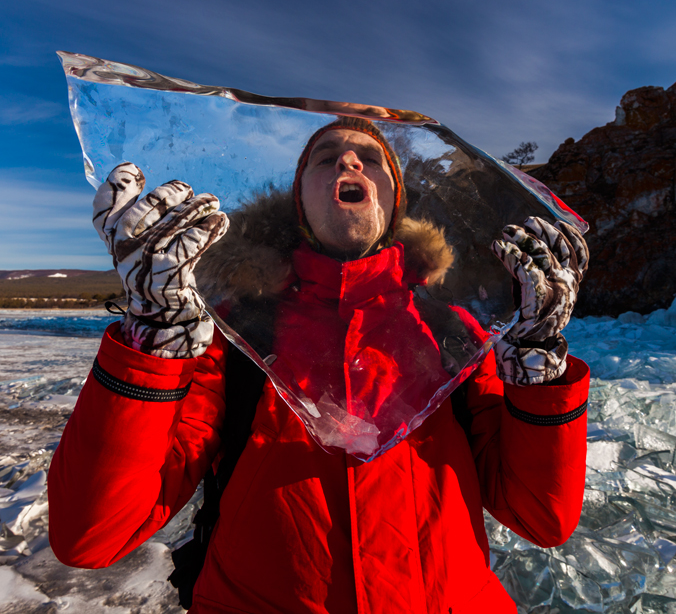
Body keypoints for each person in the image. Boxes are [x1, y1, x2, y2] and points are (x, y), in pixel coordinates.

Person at [48, 117, 590, 614]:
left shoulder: (454, 336)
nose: (348, 162)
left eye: (369, 158)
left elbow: (540, 517)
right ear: (299, 200)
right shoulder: (233, 338)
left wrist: (536, 359)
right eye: (325, 156)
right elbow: (92, 534)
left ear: (394, 201)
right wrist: (154, 345)